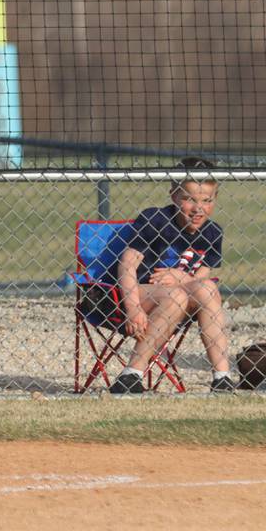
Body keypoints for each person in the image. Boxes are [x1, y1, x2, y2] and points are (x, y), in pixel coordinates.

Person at [108, 157, 234, 394]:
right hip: (140, 294)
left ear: (215, 200)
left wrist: (182, 278)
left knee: (206, 289)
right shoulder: (155, 219)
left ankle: (222, 377)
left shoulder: (212, 232)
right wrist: (133, 308)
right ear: (174, 196)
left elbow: (202, 277)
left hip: (182, 297)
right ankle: (131, 374)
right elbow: (127, 265)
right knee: (176, 295)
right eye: (189, 199)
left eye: (207, 201)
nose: (198, 209)